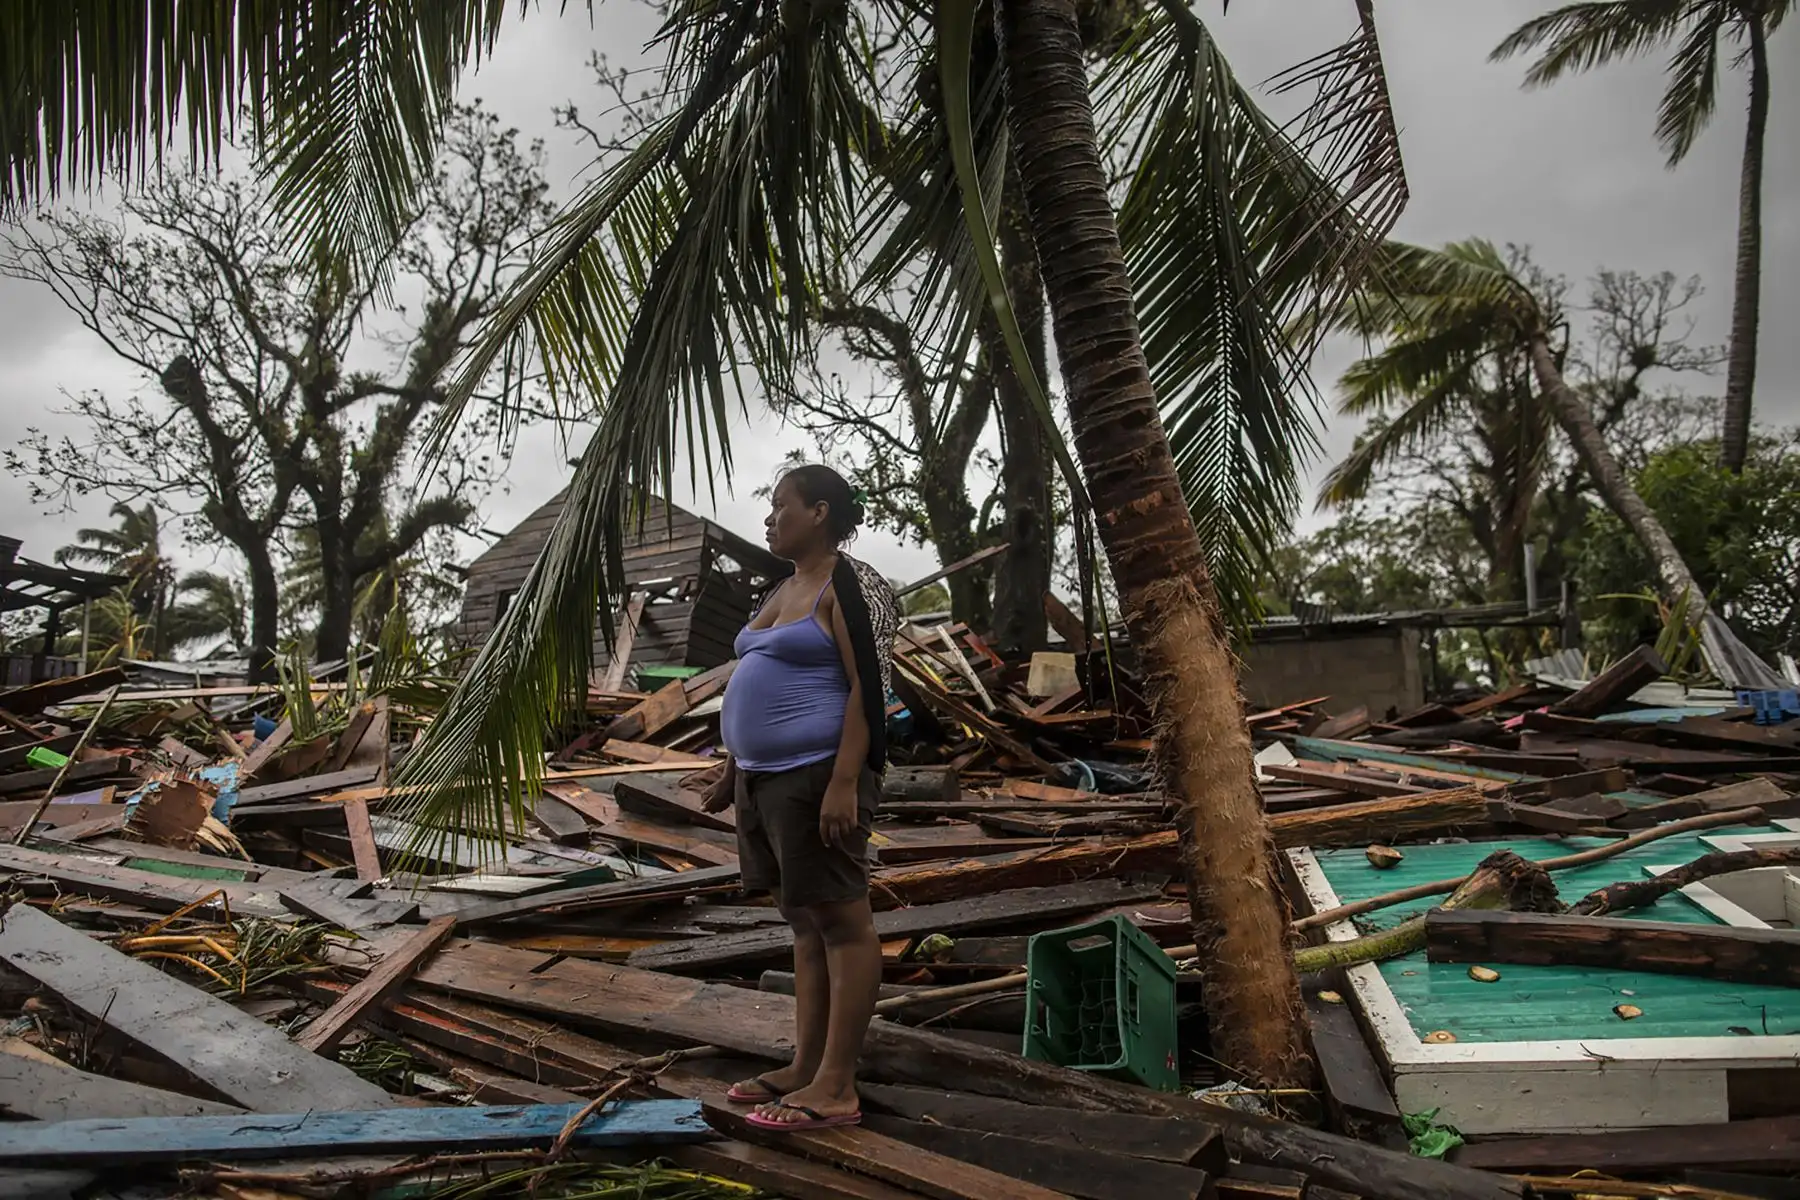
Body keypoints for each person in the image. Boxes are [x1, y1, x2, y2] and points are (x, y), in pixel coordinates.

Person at [701, 464, 898, 1132]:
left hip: (819, 775)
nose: (768, 517)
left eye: (779, 505)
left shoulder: (854, 581)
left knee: (843, 922)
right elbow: (755, 677)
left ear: (818, 512)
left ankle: (837, 1086)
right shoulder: (780, 585)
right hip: (766, 781)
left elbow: (867, 687)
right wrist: (734, 768)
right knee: (804, 922)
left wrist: (846, 780)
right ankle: (805, 1066)